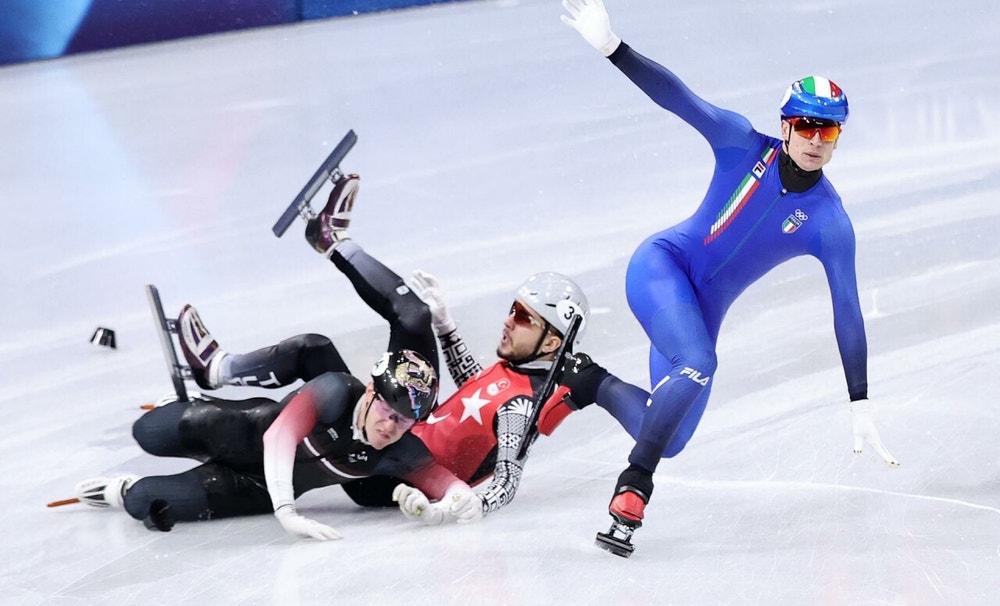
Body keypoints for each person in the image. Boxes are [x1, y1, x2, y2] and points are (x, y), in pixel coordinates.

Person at [561, 0, 899, 540]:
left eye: (829, 132)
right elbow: (680, 100)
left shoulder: (831, 223)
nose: (816, 140)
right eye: (807, 125)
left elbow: (847, 309)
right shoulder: (741, 143)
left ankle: (589, 380)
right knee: (698, 363)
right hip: (661, 269)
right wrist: (613, 49)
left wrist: (859, 399)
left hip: (701, 311)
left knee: (671, 434)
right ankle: (634, 484)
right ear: (785, 124)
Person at [162, 173, 646, 524]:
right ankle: (221, 365)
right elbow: (475, 394)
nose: (507, 319)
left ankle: (329, 241)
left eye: (522, 318)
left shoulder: (528, 403)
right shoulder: (514, 371)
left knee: (367, 336)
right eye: (513, 308)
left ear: (553, 340)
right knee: (333, 345)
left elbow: (508, 475)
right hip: (408, 418)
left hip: (398, 462)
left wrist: (470, 502)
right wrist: (448, 326)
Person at [71, 177, 479, 539]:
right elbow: (279, 435)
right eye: (389, 413)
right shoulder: (338, 391)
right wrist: (287, 513)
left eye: (403, 420)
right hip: (252, 434)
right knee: (149, 431)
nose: (391, 425)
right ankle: (219, 368)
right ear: (372, 389)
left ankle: (123, 485)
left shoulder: (403, 446)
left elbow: (452, 487)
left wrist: (456, 505)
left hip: (289, 483)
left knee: (142, 498)